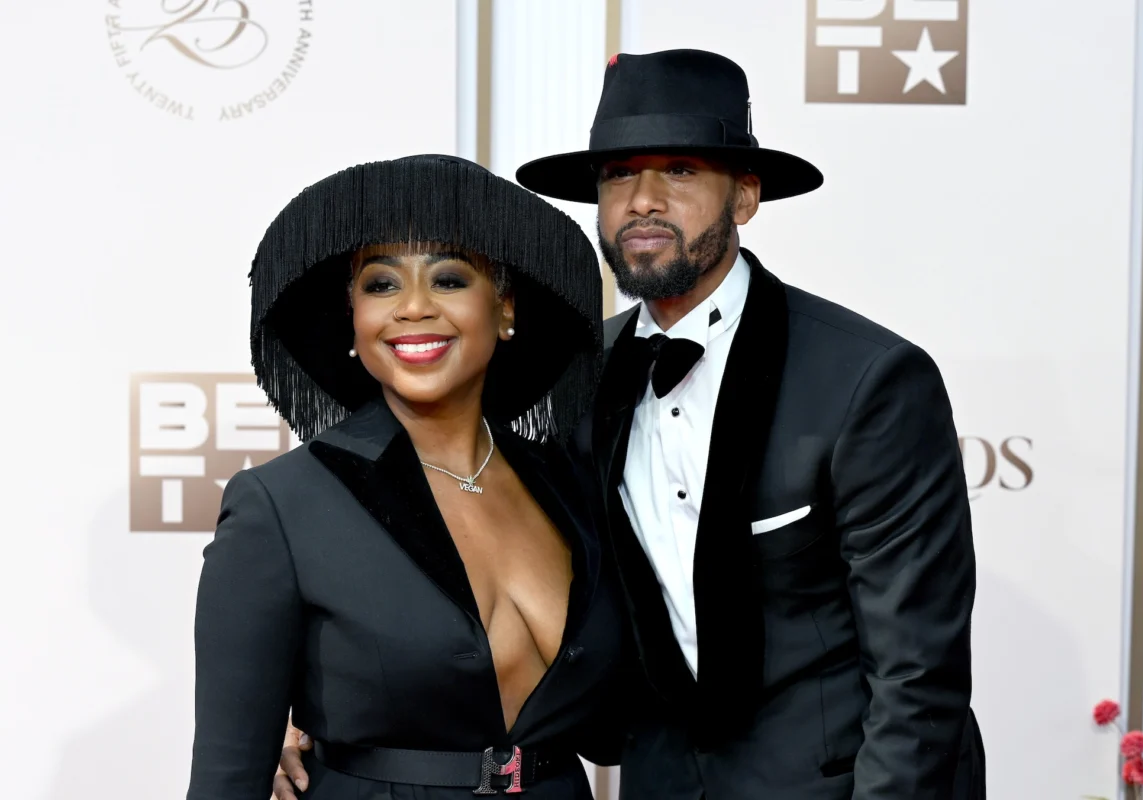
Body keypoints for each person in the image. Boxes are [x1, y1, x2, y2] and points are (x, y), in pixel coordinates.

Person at [276, 50, 986, 799]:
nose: (643, 201)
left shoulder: (867, 381)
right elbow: (451, 549)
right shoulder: (574, 382)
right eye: (618, 175)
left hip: (836, 784)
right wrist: (307, 706)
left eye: (678, 170)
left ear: (745, 197)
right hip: (657, 782)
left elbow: (917, 673)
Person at [186, 154, 627, 799]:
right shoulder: (282, 504)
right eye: (381, 285)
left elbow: (622, 717)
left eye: (448, 279)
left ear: (504, 307)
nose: (413, 307)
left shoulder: (568, 483)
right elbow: (225, 780)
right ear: (353, 318)